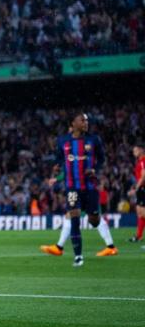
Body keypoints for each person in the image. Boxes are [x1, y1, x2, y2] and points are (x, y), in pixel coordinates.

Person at [39, 113, 117, 266]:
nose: (86, 123)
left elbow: (101, 159)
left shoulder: (94, 140)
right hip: (72, 188)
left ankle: (110, 246)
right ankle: (78, 257)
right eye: (82, 120)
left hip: (90, 187)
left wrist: (94, 169)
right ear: (73, 123)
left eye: (87, 120)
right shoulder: (63, 141)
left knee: (94, 220)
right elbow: (59, 158)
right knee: (74, 219)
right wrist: (56, 167)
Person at [128, 145, 145, 244]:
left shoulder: (143, 160)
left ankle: (138, 236)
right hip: (141, 189)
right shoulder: (139, 161)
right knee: (139, 213)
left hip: (143, 188)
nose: (134, 152)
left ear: (142, 150)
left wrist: (136, 188)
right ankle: (138, 236)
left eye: (136, 150)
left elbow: (143, 176)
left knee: (142, 212)